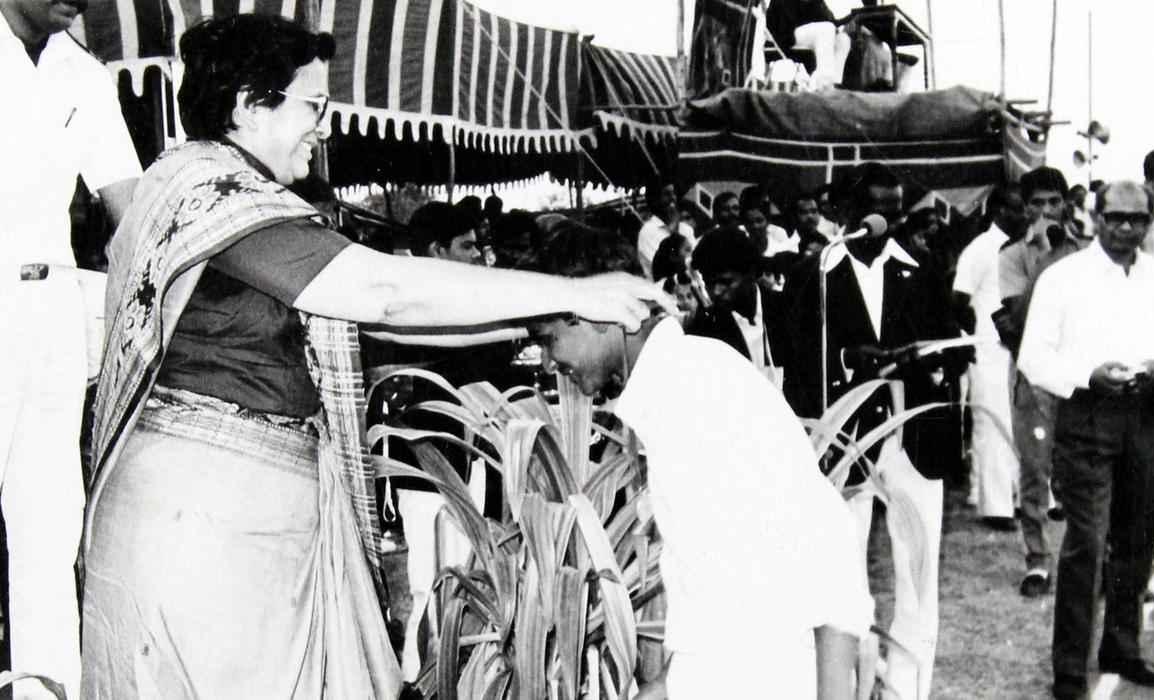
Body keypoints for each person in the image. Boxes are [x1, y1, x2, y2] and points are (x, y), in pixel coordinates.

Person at [80, 15, 670, 699]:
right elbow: (385, 294)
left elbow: (392, 324)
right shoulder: (215, 199)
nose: (324, 127)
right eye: (314, 106)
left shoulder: (214, 196)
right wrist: (574, 293)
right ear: (249, 105)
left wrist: (553, 320)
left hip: (229, 526)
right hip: (205, 531)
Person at [531, 224, 873, 699]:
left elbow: (831, 546)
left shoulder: (698, 389)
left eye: (549, 339)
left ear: (600, 314)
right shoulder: (674, 390)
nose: (548, 364)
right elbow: (718, 600)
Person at [1, 0, 141, 696]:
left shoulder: (83, 75)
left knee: (51, 523)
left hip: (53, 305)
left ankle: (45, 688)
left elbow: (130, 206)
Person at [782, 162, 961, 700]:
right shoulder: (813, 275)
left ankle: (909, 688)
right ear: (844, 211)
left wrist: (925, 360)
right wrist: (847, 358)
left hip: (914, 440)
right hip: (847, 440)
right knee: (842, 572)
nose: (886, 222)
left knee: (918, 575)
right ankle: (850, 686)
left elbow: (948, 345)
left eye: (895, 211)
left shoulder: (922, 269)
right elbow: (797, 361)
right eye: (873, 210)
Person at [1018, 181, 1154, 700]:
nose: (1126, 227)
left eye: (1138, 219)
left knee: (1138, 538)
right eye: (1116, 216)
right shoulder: (1064, 278)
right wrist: (1087, 376)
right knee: (1087, 544)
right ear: (1096, 218)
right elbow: (1034, 357)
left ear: (1150, 221)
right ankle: (1070, 671)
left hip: (1147, 415)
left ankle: (1121, 647)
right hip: (1087, 416)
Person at [995, 166, 1088, 598]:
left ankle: (1090, 558)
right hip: (1032, 377)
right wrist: (1046, 259)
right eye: (1037, 203)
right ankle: (1037, 559)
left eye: (1054, 201)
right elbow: (1018, 318)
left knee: (1082, 471)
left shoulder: (1087, 251)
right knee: (1034, 469)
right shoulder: (1013, 256)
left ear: (1066, 204)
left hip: (1079, 377)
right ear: (1025, 207)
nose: (1047, 209)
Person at [952, 185, 1025, 528]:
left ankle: (1014, 496)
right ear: (999, 212)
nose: (1025, 215)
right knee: (991, 424)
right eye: (1018, 208)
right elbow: (958, 300)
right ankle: (996, 507)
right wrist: (980, 336)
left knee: (1014, 424)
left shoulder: (1022, 249)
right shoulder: (981, 249)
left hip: (1017, 350)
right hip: (989, 349)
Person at [687, 227, 785, 385]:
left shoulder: (787, 309)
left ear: (751, 274)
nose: (716, 292)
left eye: (725, 282)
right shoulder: (704, 328)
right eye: (709, 283)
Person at [636, 181, 694, 280]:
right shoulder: (648, 232)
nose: (673, 198)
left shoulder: (686, 229)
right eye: (667, 194)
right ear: (655, 200)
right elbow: (664, 268)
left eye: (674, 193)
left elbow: (696, 261)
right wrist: (674, 230)